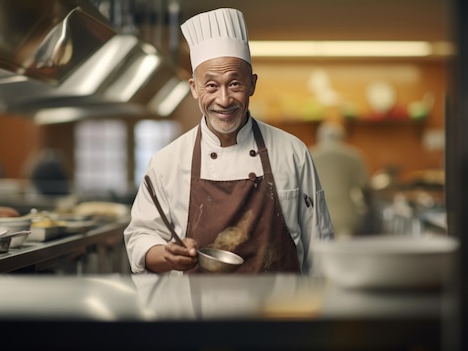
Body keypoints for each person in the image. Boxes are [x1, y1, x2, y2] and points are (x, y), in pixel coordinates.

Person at [124, 8, 334, 275]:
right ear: (193, 88)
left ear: (253, 84)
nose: (224, 100)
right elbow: (140, 237)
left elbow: (321, 243)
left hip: (280, 310)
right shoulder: (167, 161)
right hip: (197, 313)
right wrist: (166, 255)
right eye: (211, 86)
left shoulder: (292, 152)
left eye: (235, 84)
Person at [310, 121, 372, 240]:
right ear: (342, 137)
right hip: (346, 213)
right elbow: (365, 188)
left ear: (319, 137)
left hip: (317, 213)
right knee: (344, 253)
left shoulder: (310, 154)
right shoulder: (354, 155)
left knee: (319, 252)